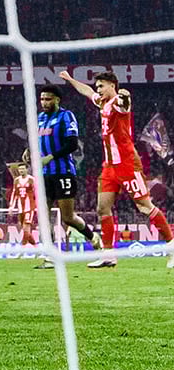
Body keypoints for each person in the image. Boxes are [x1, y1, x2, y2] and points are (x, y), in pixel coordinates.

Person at [60, 71, 174, 268]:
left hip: (128, 164)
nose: (99, 90)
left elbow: (125, 103)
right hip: (109, 166)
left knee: (144, 206)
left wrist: (125, 96)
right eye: (98, 87)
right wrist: (70, 80)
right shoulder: (102, 102)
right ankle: (108, 254)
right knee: (102, 208)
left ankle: (171, 245)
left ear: (112, 85)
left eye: (102, 86)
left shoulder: (119, 104)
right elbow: (87, 91)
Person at [25, 84, 101, 269]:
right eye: (42, 99)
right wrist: (28, 150)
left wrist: (50, 157)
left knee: (68, 217)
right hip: (44, 175)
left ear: (57, 100)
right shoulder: (40, 119)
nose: (44, 102)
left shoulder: (66, 116)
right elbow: (37, 141)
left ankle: (93, 237)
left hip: (63, 172)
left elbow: (72, 144)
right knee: (43, 216)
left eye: (48, 99)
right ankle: (50, 256)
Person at [9, 163, 38, 250]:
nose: (21, 171)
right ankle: (36, 248)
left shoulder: (32, 180)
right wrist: (11, 206)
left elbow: (37, 193)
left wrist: (38, 205)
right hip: (20, 208)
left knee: (26, 227)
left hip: (30, 207)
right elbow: (14, 194)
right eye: (20, 169)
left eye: (23, 169)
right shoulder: (16, 180)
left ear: (27, 170)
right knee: (25, 230)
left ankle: (22, 249)